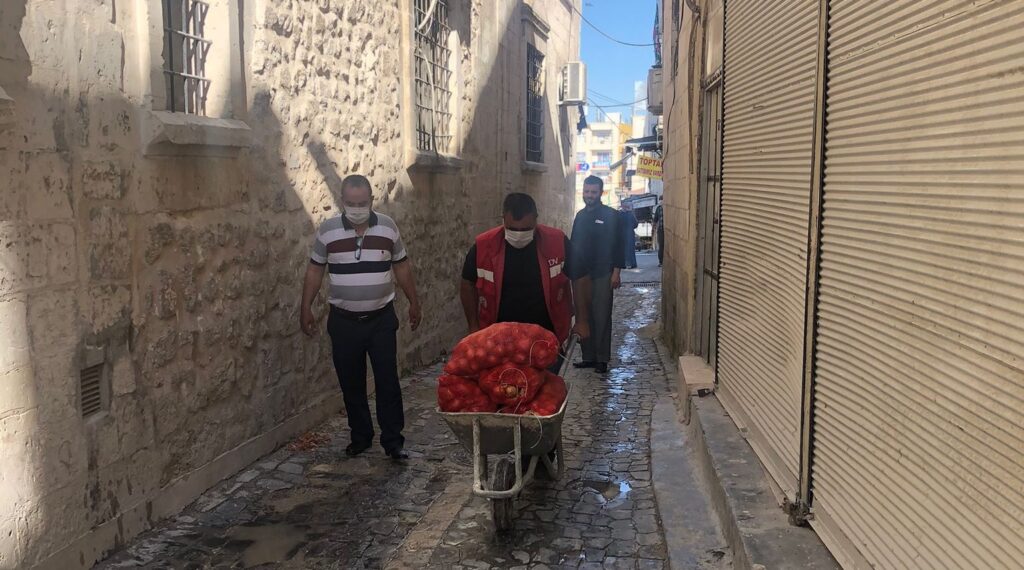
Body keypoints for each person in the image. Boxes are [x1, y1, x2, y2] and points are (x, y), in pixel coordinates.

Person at [300, 174, 421, 460]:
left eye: (363, 203)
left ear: (371, 201)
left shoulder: (388, 228)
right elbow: (315, 270)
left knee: (387, 381)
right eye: (352, 203)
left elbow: (401, 266)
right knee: (351, 382)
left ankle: (393, 442)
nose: (357, 208)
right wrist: (306, 306)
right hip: (343, 322)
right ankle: (361, 436)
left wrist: (414, 301)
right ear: (343, 202)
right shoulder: (327, 232)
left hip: (381, 319)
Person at [460, 193, 591, 372]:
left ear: (536, 220)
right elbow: (467, 283)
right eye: (513, 229)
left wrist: (582, 320)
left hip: (547, 338)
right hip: (497, 342)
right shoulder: (484, 245)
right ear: (503, 219)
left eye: (526, 229)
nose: (519, 234)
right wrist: (473, 326)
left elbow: (581, 276)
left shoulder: (556, 242)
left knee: (546, 394)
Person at [570, 176, 625, 374]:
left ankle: (602, 358)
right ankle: (588, 357)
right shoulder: (580, 216)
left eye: (593, 192)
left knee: (601, 316)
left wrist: (616, 272)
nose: (589, 196)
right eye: (586, 192)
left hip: (604, 273)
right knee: (584, 314)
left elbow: (620, 245)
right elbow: (573, 245)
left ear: (600, 193)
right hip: (581, 275)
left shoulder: (612, 215)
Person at [619, 203, 639, 269]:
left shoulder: (619, 214)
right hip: (630, 234)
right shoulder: (631, 214)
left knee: (623, 250)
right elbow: (636, 224)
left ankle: (625, 264)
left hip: (622, 234)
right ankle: (632, 264)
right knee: (630, 249)